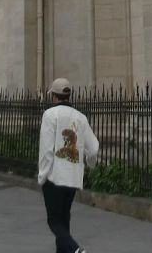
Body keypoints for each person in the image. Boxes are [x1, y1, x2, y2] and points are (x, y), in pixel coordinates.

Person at [36, 78, 99, 253]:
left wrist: (42, 176)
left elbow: (47, 151)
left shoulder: (50, 115)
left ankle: (76, 250)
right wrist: (90, 164)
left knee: (54, 221)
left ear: (54, 96)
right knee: (64, 219)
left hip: (54, 177)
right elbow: (93, 148)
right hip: (72, 177)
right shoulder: (81, 117)